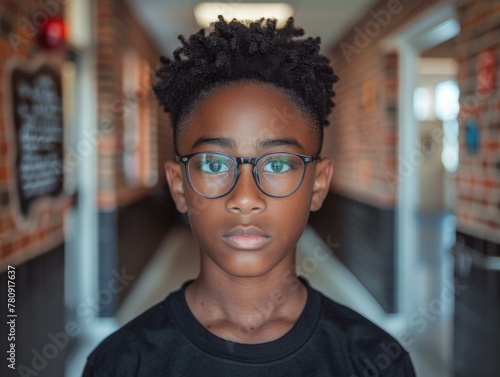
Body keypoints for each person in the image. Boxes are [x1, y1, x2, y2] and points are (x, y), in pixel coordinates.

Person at [83, 16, 416, 376]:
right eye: (213, 164)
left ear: (318, 185)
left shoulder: (375, 360)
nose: (244, 198)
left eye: (276, 165)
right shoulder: (122, 362)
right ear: (179, 186)